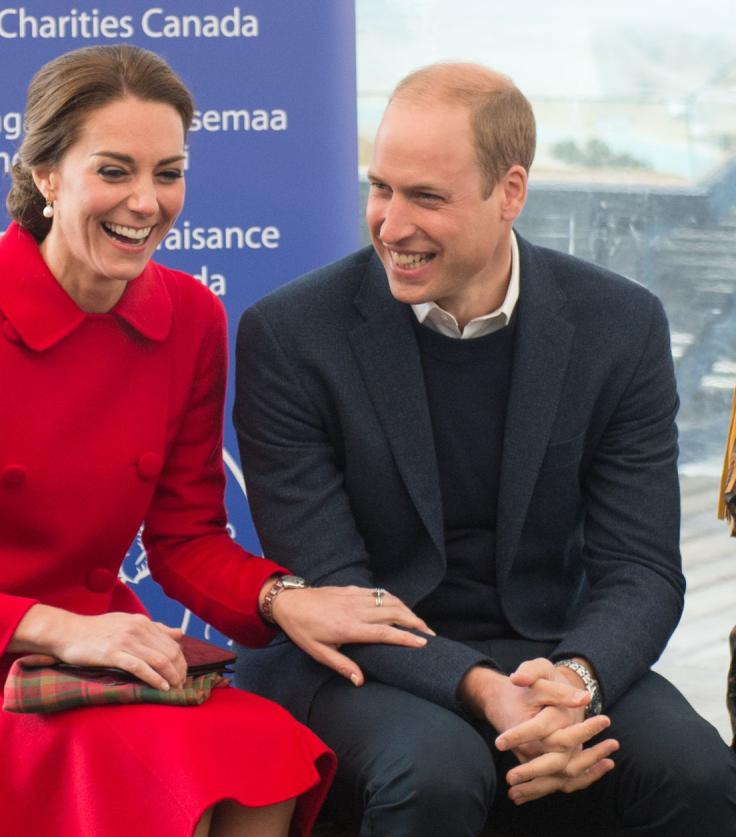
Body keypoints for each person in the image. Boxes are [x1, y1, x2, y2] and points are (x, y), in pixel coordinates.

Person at [0, 45, 430, 837]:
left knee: (268, 760)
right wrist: (66, 628)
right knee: (157, 781)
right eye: (114, 170)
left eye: (169, 172)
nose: (147, 202)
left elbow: (185, 537)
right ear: (47, 175)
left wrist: (283, 598)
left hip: (99, 652)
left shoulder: (192, 318)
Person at [233, 62, 736, 836]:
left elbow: (641, 569)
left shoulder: (620, 324)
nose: (392, 225)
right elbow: (336, 585)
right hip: (365, 662)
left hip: (550, 650)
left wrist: (577, 680)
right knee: (434, 772)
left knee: (695, 770)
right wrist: (485, 688)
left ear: (511, 192)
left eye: (426, 197)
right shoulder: (292, 335)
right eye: (381, 188)